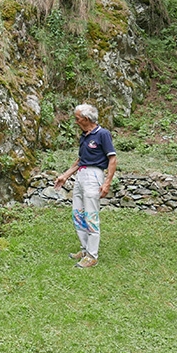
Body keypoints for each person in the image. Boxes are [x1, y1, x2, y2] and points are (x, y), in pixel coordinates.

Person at [53, 104, 117, 268]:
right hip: (81, 175)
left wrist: (107, 182)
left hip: (94, 175)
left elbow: (112, 159)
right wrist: (65, 176)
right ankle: (84, 249)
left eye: (77, 118)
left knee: (90, 215)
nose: (75, 121)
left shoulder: (102, 134)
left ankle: (92, 256)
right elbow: (80, 160)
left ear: (86, 119)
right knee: (78, 214)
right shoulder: (84, 136)